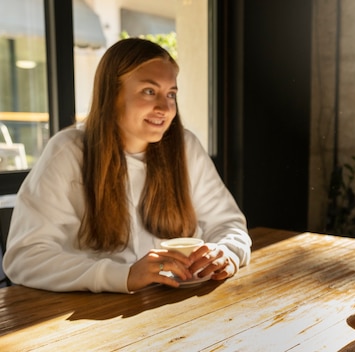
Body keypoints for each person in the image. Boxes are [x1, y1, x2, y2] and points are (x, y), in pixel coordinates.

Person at [3, 38, 251, 293]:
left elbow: (229, 225)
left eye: (171, 94)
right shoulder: (69, 151)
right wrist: (124, 275)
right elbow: (24, 258)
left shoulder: (185, 147)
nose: (165, 108)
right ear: (111, 95)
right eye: (149, 91)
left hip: (172, 306)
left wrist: (226, 254)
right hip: (88, 317)